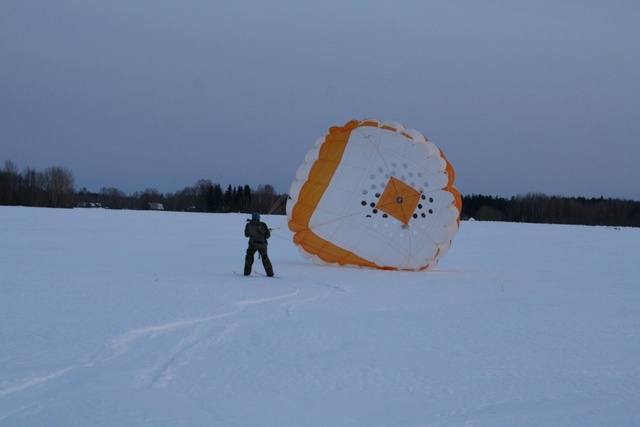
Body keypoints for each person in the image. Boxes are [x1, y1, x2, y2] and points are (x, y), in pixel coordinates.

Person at [244, 212, 274, 276]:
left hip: (252, 244)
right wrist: (268, 231)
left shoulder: (248, 225)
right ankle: (270, 273)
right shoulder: (263, 225)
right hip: (262, 245)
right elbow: (267, 236)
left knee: (249, 257)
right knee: (265, 258)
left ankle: (247, 272)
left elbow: (246, 235)